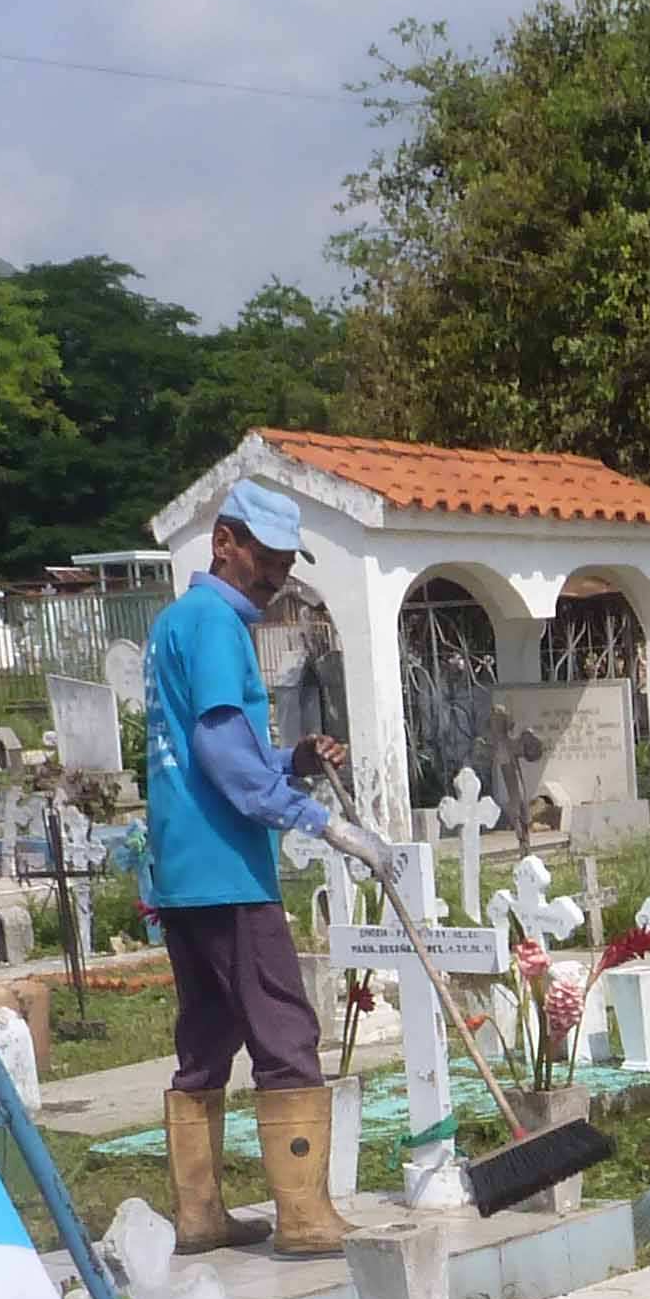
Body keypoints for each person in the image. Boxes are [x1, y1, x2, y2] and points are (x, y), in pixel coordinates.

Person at [140, 476, 388, 1259]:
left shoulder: (177, 623)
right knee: (285, 1026)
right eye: (268, 556)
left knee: (207, 1034)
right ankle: (307, 1218)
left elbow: (217, 750)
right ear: (226, 542)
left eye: (287, 559)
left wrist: (294, 760)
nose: (279, 573)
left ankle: (202, 1215)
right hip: (227, 869)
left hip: (183, 866)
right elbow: (222, 760)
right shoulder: (215, 624)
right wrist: (325, 824)